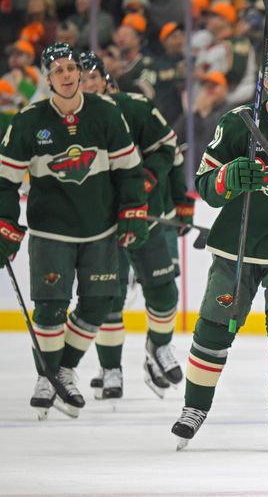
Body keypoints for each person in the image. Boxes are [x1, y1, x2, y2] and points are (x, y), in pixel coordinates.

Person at [170, 46, 268, 452]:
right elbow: (206, 184)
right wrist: (228, 178)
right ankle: (195, 407)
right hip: (238, 246)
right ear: (266, 82)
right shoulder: (240, 123)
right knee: (214, 328)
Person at [0, 43, 148, 419]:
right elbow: (5, 181)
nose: (67, 75)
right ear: (47, 78)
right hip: (52, 231)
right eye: (58, 70)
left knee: (99, 302)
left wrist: (133, 210)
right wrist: (6, 224)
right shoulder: (29, 121)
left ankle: (61, 370)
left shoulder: (106, 113)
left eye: (72, 68)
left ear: (81, 73)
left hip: (100, 229)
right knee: (50, 307)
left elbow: (129, 169)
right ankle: (46, 378)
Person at [78, 51, 182, 401]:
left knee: (164, 290)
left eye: (91, 77)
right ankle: (110, 369)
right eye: (78, 79)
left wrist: (148, 182)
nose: (85, 84)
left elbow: (169, 149)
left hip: (145, 217)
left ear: (106, 79)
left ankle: (159, 348)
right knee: (108, 295)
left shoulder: (135, 107)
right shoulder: (68, 120)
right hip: (100, 224)